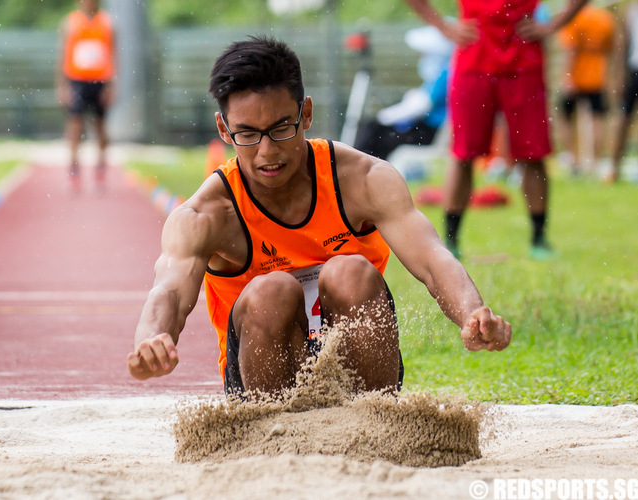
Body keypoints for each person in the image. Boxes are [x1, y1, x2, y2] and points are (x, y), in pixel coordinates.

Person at [127, 36, 511, 399]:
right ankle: (267, 429)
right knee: (271, 290)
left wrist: (472, 314)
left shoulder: (362, 179)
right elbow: (170, 292)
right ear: (223, 130)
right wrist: (152, 338)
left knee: (350, 272)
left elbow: (431, 259)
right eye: (247, 134)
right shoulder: (206, 213)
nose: (267, 153)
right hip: (261, 379)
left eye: (280, 129)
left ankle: (378, 420)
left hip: (358, 367)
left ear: (305, 114)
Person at [403, 0, 588, 260]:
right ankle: (451, 240)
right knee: (463, 153)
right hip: (474, 61)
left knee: (533, 153)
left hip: (525, 63)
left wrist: (553, 24)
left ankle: (539, 238)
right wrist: (443, 27)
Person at [355, 25, 452, 161]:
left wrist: (384, 117)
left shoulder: (445, 74)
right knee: (373, 129)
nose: (421, 57)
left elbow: (422, 106)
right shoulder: (442, 74)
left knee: (374, 131)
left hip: (429, 131)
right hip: (425, 128)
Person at [55, 0, 116, 192]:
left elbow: (114, 56)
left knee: (99, 126)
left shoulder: (108, 24)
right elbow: (62, 56)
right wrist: (62, 86)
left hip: (100, 81)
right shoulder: (69, 23)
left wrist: (112, 86)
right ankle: (74, 172)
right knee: (75, 126)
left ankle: (100, 171)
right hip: (77, 80)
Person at [555, 4, 616, 176]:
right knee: (597, 119)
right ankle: (595, 162)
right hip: (598, 78)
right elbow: (609, 49)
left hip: (575, 78)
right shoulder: (604, 18)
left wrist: (567, 77)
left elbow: (571, 50)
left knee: (566, 117)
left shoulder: (574, 18)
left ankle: (573, 160)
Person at [610, 0, 638, 183]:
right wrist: (619, 76)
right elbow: (621, 47)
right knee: (623, 119)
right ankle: (615, 168)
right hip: (636, 71)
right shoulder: (629, 11)